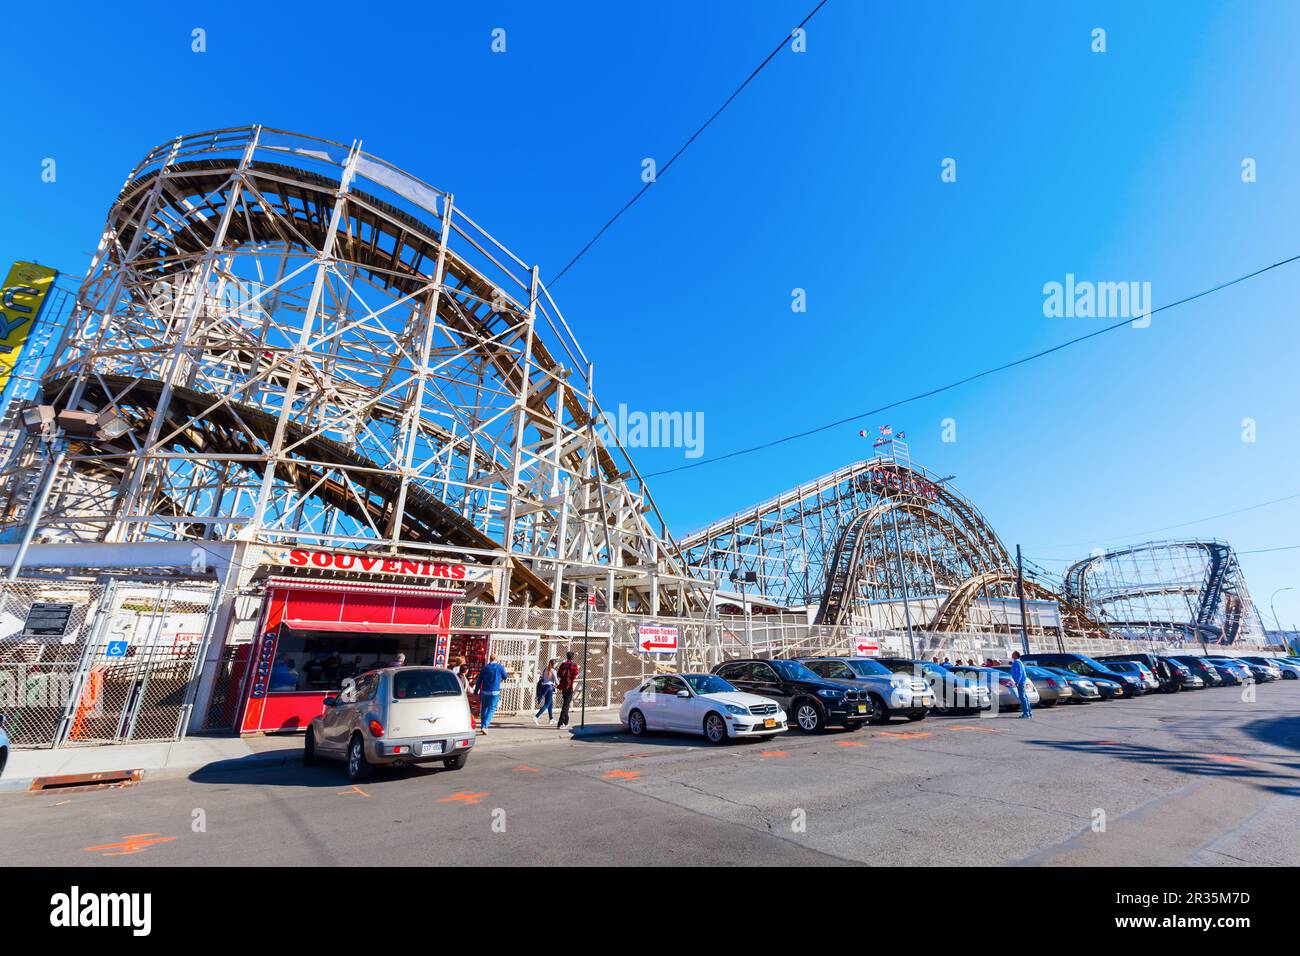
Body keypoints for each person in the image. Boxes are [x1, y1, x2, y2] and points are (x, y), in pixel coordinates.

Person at [473, 654, 509, 734]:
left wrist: (475, 692)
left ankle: (483, 726)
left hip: (485, 691)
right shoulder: (500, 667)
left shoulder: (485, 668)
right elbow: (505, 677)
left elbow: (479, 681)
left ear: (490, 659)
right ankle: (485, 726)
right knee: (491, 708)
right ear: (496, 659)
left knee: (484, 709)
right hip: (495, 691)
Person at [556, 651, 580, 728]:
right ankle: (560, 723)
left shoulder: (563, 665)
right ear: (572, 657)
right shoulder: (574, 665)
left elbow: (559, 674)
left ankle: (566, 722)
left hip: (563, 687)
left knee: (565, 704)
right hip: (570, 687)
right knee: (566, 705)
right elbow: (576, 675)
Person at [533, 659, 558, 725]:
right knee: (547, 704)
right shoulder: (553, 670)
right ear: (554, 664)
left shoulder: (545, 669)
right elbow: (556, 681)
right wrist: (558, 685)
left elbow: (543, 679)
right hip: (549, 688)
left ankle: (551, 719)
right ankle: (536, 717)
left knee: (550, 703)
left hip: (544, 687)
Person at [1010, 651, 1032, 719]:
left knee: (1023, 697)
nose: (1012, 655)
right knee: (1025, 697)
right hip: (1022, 681)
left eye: (1013, 654)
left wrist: (1017, 682)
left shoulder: (1017, 662)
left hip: (1020, 682)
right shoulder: (1018, 662)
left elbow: (1019, 673)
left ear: (1016, 655)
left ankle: (1026, 714)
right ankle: (1028, 713)